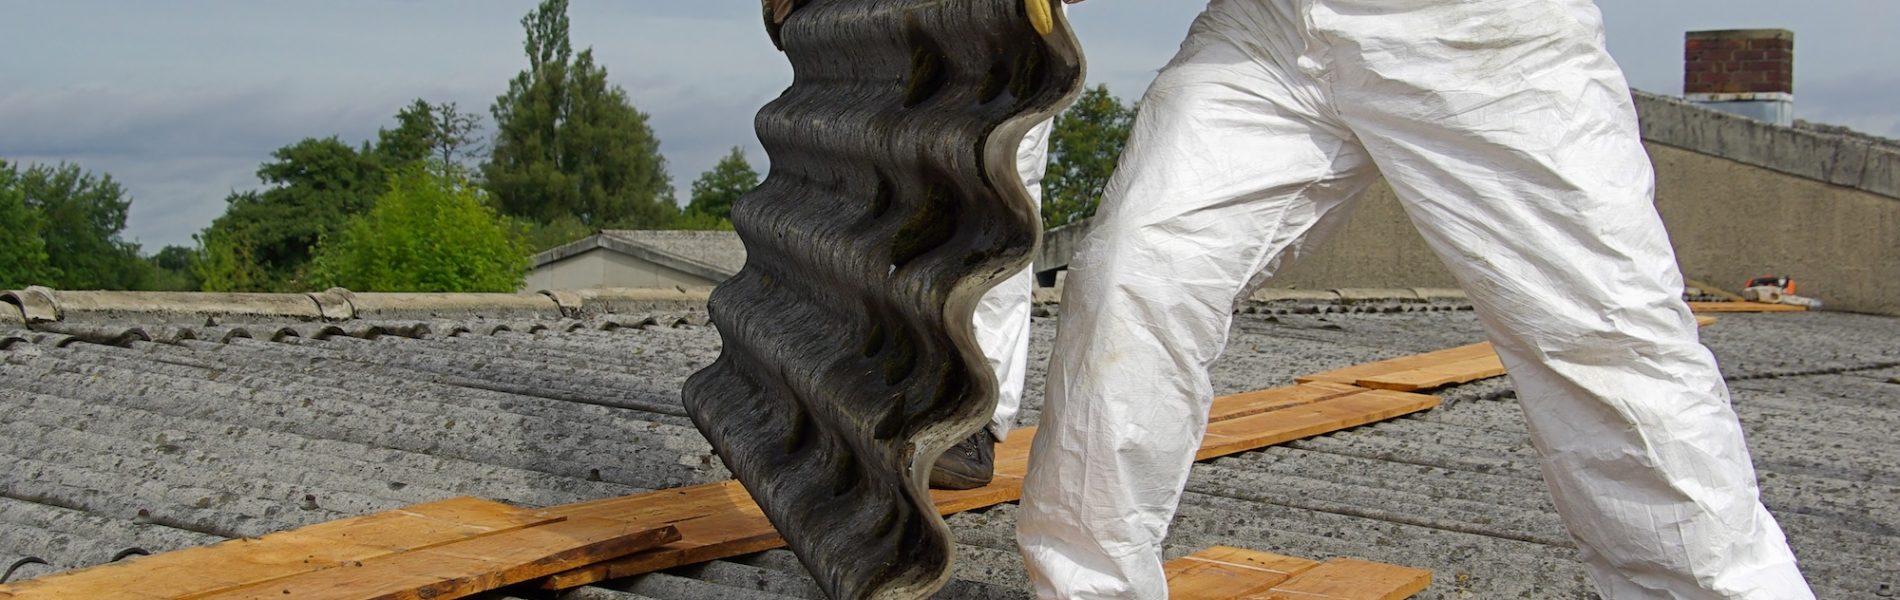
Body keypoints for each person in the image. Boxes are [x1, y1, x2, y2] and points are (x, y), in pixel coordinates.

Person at [1006, 1, 1817, 599]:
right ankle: (1088, 589)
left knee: (1603, 338)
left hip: (1484, 35)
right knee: (1133, 274)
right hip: (1268, 31)